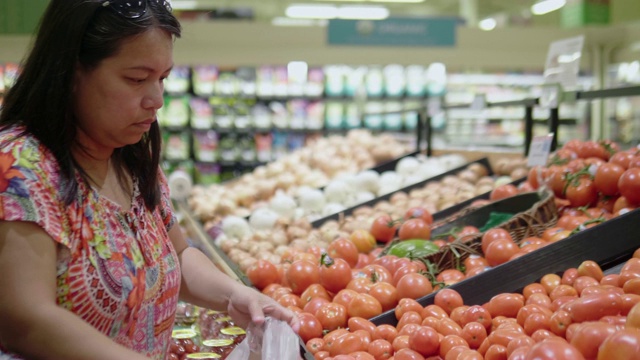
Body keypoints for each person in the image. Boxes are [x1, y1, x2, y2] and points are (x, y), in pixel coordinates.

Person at [0, 1, 299, 359]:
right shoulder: (19, 166)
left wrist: (236, 295)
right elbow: (25, 319)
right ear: (71, 72)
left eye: (163, 78)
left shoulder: (132, 159)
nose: (156, 99)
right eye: (137, 79)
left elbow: (179, 255)